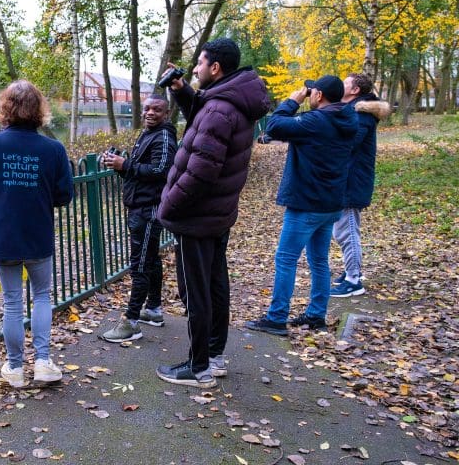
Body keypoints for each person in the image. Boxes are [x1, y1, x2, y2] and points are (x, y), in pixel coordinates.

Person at [155, 38, 271, 387]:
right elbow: (205, 122)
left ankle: (198, 366)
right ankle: (215, 355)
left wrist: (168, 206)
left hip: (198, 216)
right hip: (217, 213)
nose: (194, 69)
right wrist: (182, 91)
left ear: (215, 68)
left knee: (197, 289)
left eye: (199, 64)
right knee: (215, 282)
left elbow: (201, 170)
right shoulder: (227, 100)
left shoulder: (221, 108)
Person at [0, 80, 74, 387]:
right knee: (42, 296)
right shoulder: (53, 149)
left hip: (2, 236)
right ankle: (42, 362)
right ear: (39, 110)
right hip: (37, 234)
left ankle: (14, 369)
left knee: (12, 302)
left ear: (6, 108)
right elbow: (64, 195)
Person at [246, 75, 357, 337]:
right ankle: (316, 314)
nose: (310, 95)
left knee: (286, 259)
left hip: (307, 203)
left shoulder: (317, 120)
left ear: (318, 95)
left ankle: (276, 318)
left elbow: (273, 126)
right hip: (330, 203)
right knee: (319, 260)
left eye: (313, 91)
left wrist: (293, 101)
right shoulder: (347, 118)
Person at [100, 94, 178, 343]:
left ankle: (131, 322)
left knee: (141, 265)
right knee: (151, 260)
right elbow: (141, 172)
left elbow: (162, 171)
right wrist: (120, 165)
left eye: (156, 109)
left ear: (166, 114)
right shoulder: (148, 134)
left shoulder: (164, 136)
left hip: (149, 210)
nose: (150, 113)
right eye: (147, 109)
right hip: (140, 207)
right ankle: (153, 310)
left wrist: (127, 165)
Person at [330, 73, 391, 297]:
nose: (341, 85)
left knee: (347, 231)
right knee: (344, 229)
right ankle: (351, 270)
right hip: (349, 178)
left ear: (355, 90)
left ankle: (354, 280)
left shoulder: (361, 115)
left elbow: (348, 144)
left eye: (346, 83)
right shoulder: (354, 111)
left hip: (352, 180)